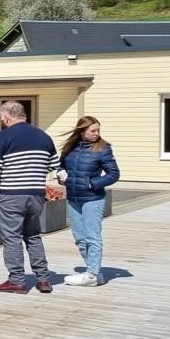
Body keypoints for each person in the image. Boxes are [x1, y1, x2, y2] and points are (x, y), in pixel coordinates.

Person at [0, 100, 60, 294]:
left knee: (12, 237)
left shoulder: (3, 137)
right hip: (36, 194)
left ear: (7, 117)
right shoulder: (43, 136)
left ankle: (16, 280)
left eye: (2, 119)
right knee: (33, 235)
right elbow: (53, 164)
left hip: (11, 194)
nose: (2, 122)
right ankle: (43, 278)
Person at [59, 116, 120, 286]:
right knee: (79, 238)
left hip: (93, 198)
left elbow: (114, 174)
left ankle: (92, 275)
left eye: (98, 130)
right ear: (82, 131)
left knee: (92, 237)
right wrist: (60, 174)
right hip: (73, 198)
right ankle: (94, 271)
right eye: (93, 130)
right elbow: (61, 165)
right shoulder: (70, 147)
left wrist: (92, 183)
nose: (97, 133)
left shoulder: (103, 148)